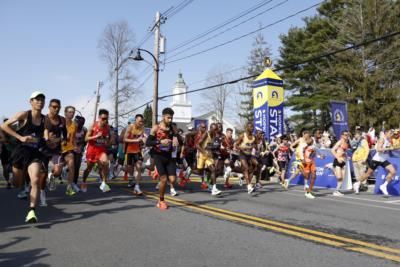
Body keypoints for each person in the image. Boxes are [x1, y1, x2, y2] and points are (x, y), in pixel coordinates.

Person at [1, 91, 48, 223]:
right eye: (37, 99)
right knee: (17, 183)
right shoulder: (23, 114)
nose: (40, 102)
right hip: (20, 153)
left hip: (34, 154)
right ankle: (13, 175)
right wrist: (20, 137)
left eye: (42, 100)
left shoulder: (45, 119)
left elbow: (45, 134)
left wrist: (47, 140)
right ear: (31, 101)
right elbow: (4, 126)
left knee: (35, 179)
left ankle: (31, 211)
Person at [146, 108, 179, 210]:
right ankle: (161, 200)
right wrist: (159, 142)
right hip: (158, 156)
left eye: (171, 118)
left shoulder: (173, 127)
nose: (170, 120)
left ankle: (155, 172)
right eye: (168, 117)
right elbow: (148, 142)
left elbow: (177, 136)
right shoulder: (156, 128)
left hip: (169, 156)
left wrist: (176, 138)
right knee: (164, 179)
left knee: (173, 180)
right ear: (163, 116)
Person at [357, 130, 396, 197]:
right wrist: (388, 148)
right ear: (386, 133)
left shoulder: (389, 140)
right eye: (390, 133)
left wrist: (392, 148)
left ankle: (384, 186)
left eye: (392, 133)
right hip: (376, 160)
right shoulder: (382, 139)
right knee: (368, 174)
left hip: (383, 160)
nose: (392, 134)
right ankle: (357, 183)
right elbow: (378, 149)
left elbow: (388, 149)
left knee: (393, 171)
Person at [43, 99, 68, 201]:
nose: (56, 109)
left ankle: (52, 175)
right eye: (54, 107)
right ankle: (40, 192)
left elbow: (64, 131)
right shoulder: (44, 119)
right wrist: (47, 139)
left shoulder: (62, 120)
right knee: (41, 174)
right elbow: (45, 132)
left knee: (58, 171)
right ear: (49, 107)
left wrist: (65, 140)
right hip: (43, 149)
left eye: (58, 107)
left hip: (56, 149)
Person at [81, 109, 111, 193]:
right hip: (92, 150)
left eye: (106, 119)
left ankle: (104, 183)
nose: (105, 121)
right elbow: (86, 138)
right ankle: (83, 182)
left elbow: (109, 141)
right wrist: (95, 136)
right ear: (99, 118)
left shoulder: (108, 128)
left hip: (101, 150)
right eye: (103, 119)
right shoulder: (93, 126)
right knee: (89, 168)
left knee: (105, 163)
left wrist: (107, 141)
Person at [124, 114, 146, 195]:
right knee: (129, 168)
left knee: (139, 166)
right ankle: (126, 173)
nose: (141, 123)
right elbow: (125, 139)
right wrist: (136, 140)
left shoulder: (142, 128)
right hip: (129, 151)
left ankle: (137, 186)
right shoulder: (130, 127)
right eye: (140, 121)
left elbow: (143, 137)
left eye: (142, 121)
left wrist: (144, 140)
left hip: (138, 150)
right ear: (135, 120)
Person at [235, 122, 257, 194]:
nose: (252, 128)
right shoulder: (242, 135)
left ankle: (246, 180)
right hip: (242, 154)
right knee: (246, 168)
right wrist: (241, 148)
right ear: (247, 128)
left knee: (255, 165)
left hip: (249, 155)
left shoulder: (254, 137)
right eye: (250, 127)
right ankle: (249, 186)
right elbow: (236, 145)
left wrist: (253, 146)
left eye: (253, 127)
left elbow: (255, 145)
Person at [60, 106, 78, 194]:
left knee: (71, 165)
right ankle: (57, 172)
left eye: (73, 112)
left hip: (69, 149)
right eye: (70, 112)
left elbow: (73, 138)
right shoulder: (60, 122)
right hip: (58, 149)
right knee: (57, 171)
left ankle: (69, 187)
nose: (72, 114)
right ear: (65, 113)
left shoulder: (74, 125)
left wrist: (75, 146)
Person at [331, 130, 350, 196]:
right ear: (342, 135)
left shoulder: (346, 142)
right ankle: (331, 168)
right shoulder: (340, 142)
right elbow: (332, 150)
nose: (346, 136)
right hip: (338, 161)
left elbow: (343, 151)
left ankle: (337, 191)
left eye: (347, 135)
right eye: (345, 135)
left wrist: (347, 156)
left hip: (343, 161)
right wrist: (338, 158)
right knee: (339, 177)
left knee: (342, 178)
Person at [73, 115, 87, 188]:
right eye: (79, 122)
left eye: (82, 123)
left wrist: (81, 143)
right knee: (71, 165)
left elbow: (85, 140)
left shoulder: (84, 130)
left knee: (77, 167)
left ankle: (74, 182)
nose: (80, 124)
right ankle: (66, 171)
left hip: (79, 150)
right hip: (70, 149)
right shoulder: (71, 127)